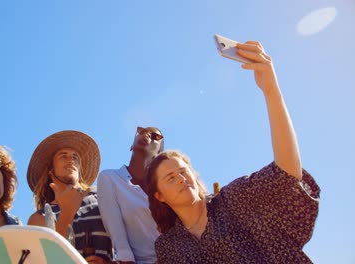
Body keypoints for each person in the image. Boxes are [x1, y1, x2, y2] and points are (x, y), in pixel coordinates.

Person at [145, 41, 320, 263]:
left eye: (183, 171)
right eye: (170, 178)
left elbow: (287, 174)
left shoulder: (234, 200)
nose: (181, 178)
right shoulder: (168, 248)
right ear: (159, 196)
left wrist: (270, 90)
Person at [27, 130, 113, 263]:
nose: (71, 160)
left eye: (75, 157)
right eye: (63, 156)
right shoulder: (39, 218)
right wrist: (67, 211)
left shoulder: (102, 196)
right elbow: (45, 258)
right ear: (50, 170)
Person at [97, 126, 164, 264]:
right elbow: (118, 237)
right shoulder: (110, 178)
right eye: (141, 131)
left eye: (155, 136)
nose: (146, 135)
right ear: (131, 145)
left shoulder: (163, 186)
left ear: (159, 153)